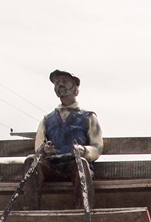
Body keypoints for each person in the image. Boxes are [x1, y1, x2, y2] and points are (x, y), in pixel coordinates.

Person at [25, 69, 103, 209]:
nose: (60, 85)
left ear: (76, 90)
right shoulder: (47, 120)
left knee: (81, 165)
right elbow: (39, 147)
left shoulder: (89, 117)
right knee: (31, 161)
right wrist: (44, 150)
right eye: (57, 82)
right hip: (52, 166)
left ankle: (83, 211)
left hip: (74, 164)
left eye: (65, 82)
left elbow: (97, 147)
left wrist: (83, 150)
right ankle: (32, 210)